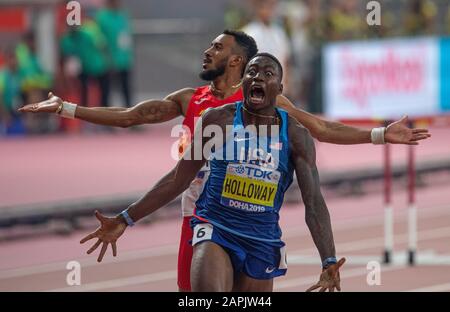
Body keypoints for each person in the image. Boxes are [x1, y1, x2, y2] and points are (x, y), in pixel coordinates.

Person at [19, 30, 430, 291]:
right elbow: (135, 119)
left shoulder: (276, 107)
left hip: (259, 227)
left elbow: (320, 132)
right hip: (200, 213)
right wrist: (68, 108)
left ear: (237, 60)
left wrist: (378, 135)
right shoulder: (198, 104)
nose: (206, 51)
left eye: (216, 47)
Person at [80, 53, 345, 291]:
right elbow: (177, 178)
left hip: (262, 239)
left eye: (268, 73)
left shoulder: (296, 136)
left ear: (280, 87)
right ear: (243, 83)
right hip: (216, 228)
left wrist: (328, 260)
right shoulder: (218, 120)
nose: (257, 77)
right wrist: (125, 218)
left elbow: (314, 202)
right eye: (251, 72)